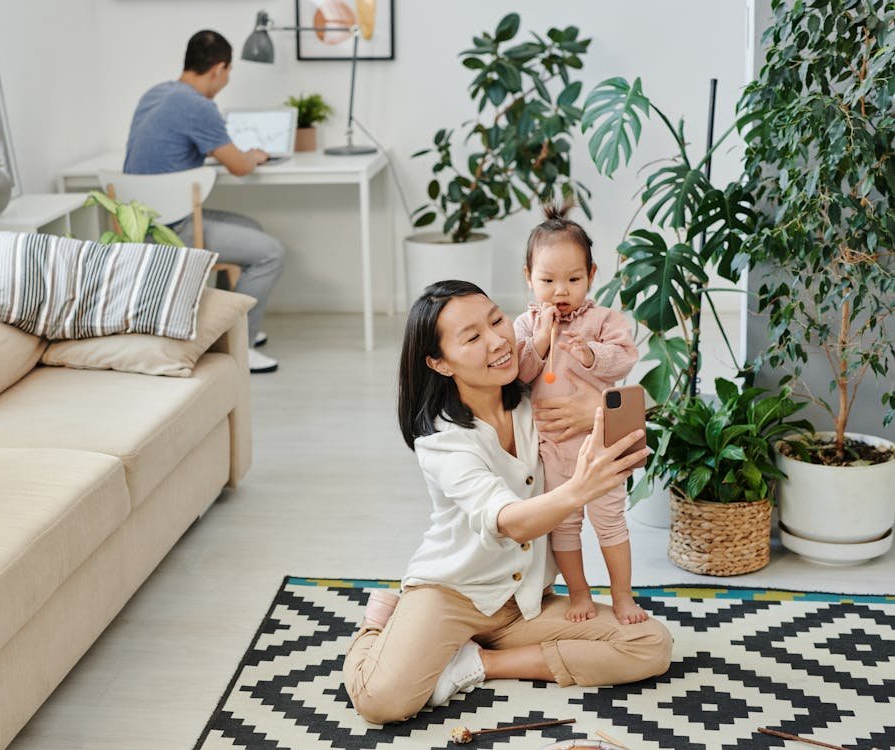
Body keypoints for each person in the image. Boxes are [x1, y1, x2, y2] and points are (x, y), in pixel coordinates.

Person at [342, 280, 672, 725]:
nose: (499, 341)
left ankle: (478, 663)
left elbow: (625, 415)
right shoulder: (441, 439)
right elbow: (510, 522)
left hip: (524, 603)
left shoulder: (536, 399)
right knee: (381, 702)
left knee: (650, 645)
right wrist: (578, 488)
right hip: (452, 594)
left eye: (497, 320)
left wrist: (596, 405)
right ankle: (380, 622)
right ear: (439, 363)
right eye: (473, 337)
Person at [513, 202, 645, 625]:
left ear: (591, 275)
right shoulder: (525, 325)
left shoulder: (604, 319)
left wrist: (590, 353)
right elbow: (519, 373)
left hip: (598, 444)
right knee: (564, 526)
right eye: (547, 280)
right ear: (528, 278)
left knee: (610, 523)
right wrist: (538, 341)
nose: (560, 291)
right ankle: (580, 595)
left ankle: (623, 597)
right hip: (552, 450)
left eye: (573, 279)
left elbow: (625, 359)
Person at [123, 29, 285, 374]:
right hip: (172, 228)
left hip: (138, 223)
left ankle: (232, 326)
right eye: (228, 74)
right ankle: (240, 345)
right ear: (219, 68)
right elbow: (239, 166)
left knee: (250, 228)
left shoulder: (155, 94)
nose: (225, 81)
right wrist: (254, 156)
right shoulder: (200, 107)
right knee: (270, 251)